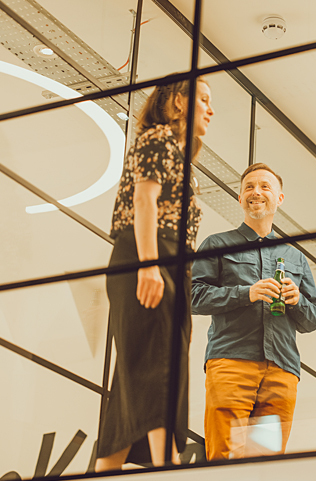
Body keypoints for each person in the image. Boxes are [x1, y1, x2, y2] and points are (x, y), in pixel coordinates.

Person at [95, 77, 214, 470]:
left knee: (137, 376)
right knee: (159, 364)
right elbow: (143, 200)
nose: (211, 110)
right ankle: (169, 466)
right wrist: (149, 265)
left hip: (170, 262)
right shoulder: (157, 138)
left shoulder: (181, 160)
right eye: (203, 100)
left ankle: (110, 467)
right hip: (150, 256)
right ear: (179, 102)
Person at [191, 162, 316, 460]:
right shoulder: (217, 245)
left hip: (283, 369)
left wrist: (296, 300)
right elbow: (194, 297)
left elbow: (312, 319)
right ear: (239, 198)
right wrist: (246, 293)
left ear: (279, 198)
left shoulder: (295, 256)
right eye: (248, 187)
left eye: (264, 186)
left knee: (267, 465)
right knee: (224, 457)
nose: (256, 192)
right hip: (231, 362)